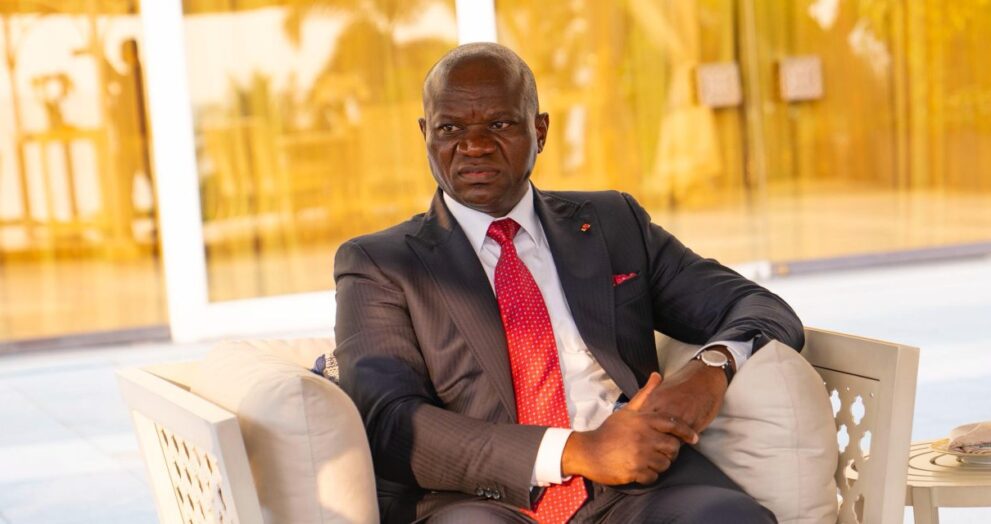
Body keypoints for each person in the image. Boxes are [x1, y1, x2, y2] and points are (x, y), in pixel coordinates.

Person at [333, 42, 804, 523]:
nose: (474, 145)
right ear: (425, 134)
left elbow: (760, 307)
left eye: (499, 124)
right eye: (450, 128)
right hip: (483, 500)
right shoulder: (380, 264)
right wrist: (577, 451)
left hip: (637, 484)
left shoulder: (612, 223)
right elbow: (390, 423)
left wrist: (711, 367)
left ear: (539, 130)